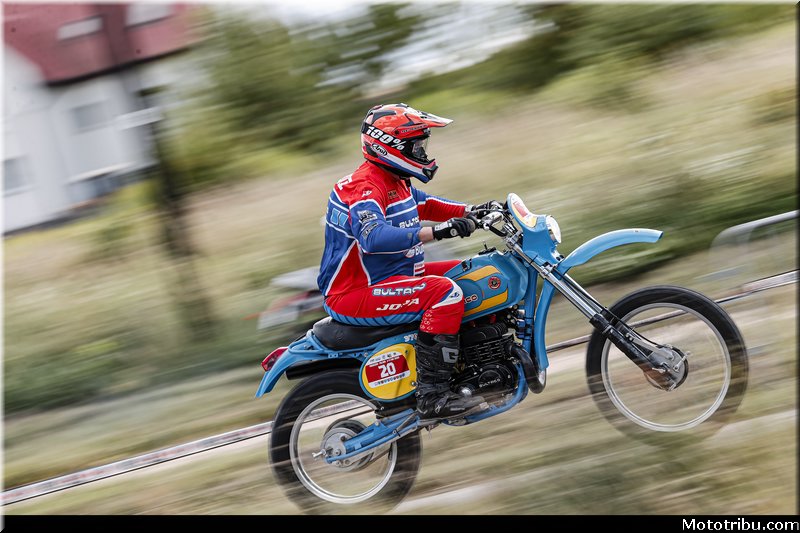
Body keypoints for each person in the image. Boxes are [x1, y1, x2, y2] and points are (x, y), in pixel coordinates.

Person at [317, 103, 500, 419]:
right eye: (415, 146)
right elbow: (373, 237)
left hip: (396, 274)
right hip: (355, 292)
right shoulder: (364, 187)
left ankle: (478, 363)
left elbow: (426, 204)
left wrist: (474, 211)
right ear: (389, 146)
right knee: (445, 294)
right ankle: (433, 396)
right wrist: (437, 232)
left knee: (478, 272)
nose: (422, 151)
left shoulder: (394, 179)